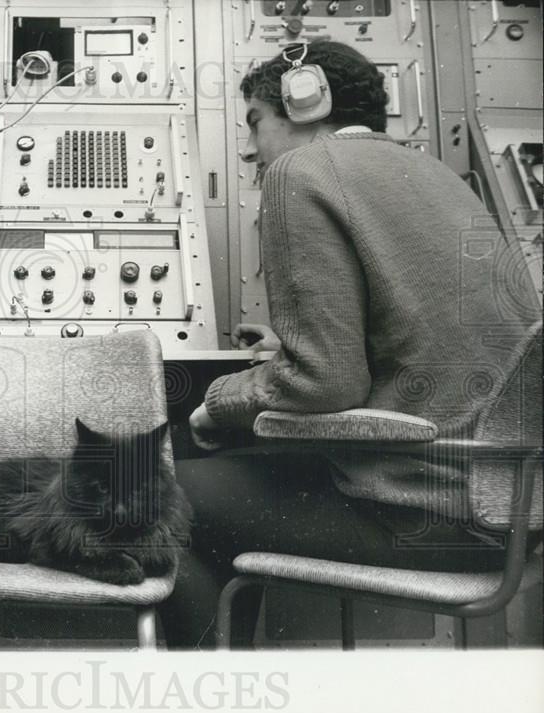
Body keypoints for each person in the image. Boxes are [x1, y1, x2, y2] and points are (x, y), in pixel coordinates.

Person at [159, 41, 541, 648]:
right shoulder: (437, 174)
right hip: (512, 511)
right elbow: (418, 325)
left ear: (303, 102)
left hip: (426, 514)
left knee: (158, 496)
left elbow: (325, 383)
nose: (249, 148)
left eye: (255, 122)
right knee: (230, 484)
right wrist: (292, 345)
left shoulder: (300, 171)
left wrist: (218, 402)